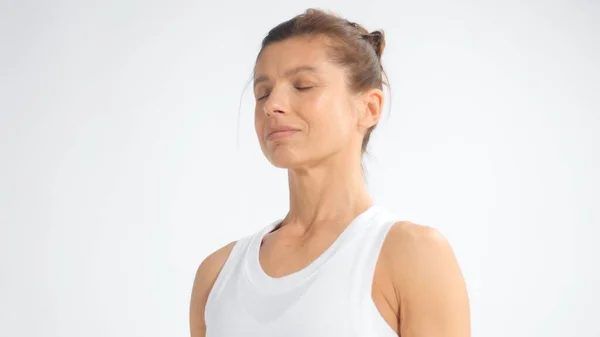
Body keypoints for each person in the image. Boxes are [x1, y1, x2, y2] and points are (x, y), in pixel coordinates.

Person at [189, 8, 470, 337]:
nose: (272, 105)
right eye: (262, 92)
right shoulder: (217, 276)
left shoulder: (413, 256)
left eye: (303, 86)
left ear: (369, 108)